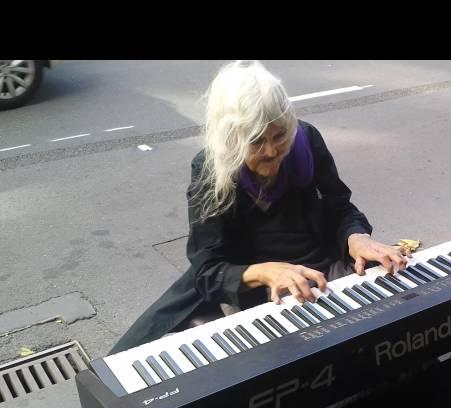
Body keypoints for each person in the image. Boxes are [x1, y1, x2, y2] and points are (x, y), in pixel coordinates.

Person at [109, 60, 410, 356]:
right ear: (230, 140)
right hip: (261, 290)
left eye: (279, 136)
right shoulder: (211, 171)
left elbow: (340, 208)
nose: (271, 151)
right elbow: (209, 271)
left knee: (397, 325)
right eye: (254, 141)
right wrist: (265, 272)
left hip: (325, 269)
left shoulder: (307, 140)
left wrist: (357, 237)